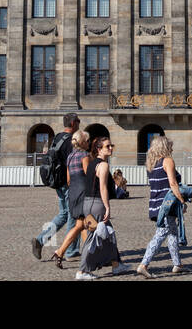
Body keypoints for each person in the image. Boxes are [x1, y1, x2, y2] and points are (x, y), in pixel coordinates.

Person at [75, 137, 134, 279]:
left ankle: (116, 265)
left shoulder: (92, 163)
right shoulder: (103, 165)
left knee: (108, 236)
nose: (111, 148)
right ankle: (82, 271)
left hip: (89, 202)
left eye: (111, 145)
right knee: (92, 238)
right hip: (97, 203)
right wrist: (107, 206)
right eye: (107, 146)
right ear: (99, 149)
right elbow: (103, 188)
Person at [137, 135, 188, 277]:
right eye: (170, 146)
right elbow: (173, 184)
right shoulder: (168, 161)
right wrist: (182, 201)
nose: (172, 148)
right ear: (164, 147)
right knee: (161, 234)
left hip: (155, 203)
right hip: (166, 205)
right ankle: (143, 264)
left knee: (172, 233)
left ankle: (177, 264)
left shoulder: (151, 164)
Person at [32, 112, 79, 260]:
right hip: (67, 182)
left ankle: (40, 240)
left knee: (63, 214)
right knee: (73, 216)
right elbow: (71, 163)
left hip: (57, 182)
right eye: (78, 121)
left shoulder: (58, 137)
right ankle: (71, 251)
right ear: (72, 124)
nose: (79, 123)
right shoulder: (71, 140)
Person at [50, 130, 90, 266]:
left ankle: (86, 253)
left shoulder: (71, 156)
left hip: (73, 192)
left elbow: (68, 179)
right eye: (88, 141)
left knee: (81, 225)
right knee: (83, 225)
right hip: (83, 193)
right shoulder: (84, 155)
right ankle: (61, 251)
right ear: (83, 142)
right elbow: (88, 175)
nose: (89, 143)